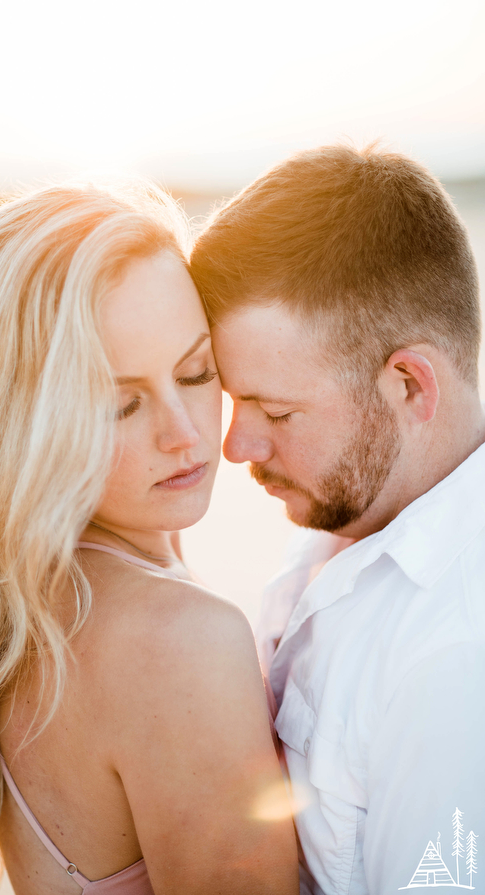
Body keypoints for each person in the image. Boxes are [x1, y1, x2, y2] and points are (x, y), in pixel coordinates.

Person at [0, 182, 298, 895]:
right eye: (121, 403)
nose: (185, 431)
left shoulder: (23, 612)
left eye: (197, 370)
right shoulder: (180, 642)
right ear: (22, 422)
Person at [191, 143, 485, 895]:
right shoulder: (356, 521)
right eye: (232, 401)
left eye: (276, 410)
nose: (237, 446)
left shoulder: (455, 658)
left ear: (409, 384)